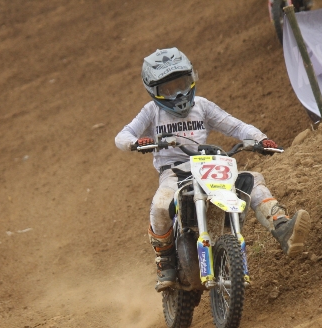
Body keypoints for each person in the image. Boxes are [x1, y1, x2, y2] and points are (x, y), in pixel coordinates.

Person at [115, 48, 311, 292]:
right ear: (154, 91)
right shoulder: (152, 112)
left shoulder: (202, 106)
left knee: (252, 180)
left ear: (191, 78)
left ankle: (282, 227)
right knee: (160, 204)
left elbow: (236, 126)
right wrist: (136, 142)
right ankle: (164, 260)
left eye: (182, 84)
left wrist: (261, 139)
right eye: (168, 89)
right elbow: (122, 135)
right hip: (174, 172)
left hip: (208, 165)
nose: (178, 93)